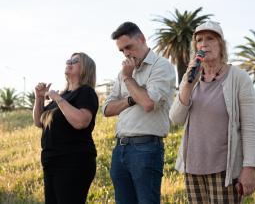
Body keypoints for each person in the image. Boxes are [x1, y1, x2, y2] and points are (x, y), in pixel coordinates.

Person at [169, 20, 255, 204]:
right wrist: (188, 83)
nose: (204, 43)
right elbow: (176, 118)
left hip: (224, 170)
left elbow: (250, 127)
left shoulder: (238, 78)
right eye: (199, 40)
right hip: (193, 170)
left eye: (210, 38)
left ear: (221, 45)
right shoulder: (191, 78)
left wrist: (249, 168)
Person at [103, 21, 176, 204]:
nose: (126, 53)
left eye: (129, 47)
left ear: (142, 39)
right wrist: (131, 98)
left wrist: (128, 79)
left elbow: (148, 103)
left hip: (146, 148)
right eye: (121, 50)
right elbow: (107, 109)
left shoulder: (161, 66)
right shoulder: (123, 73)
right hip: (120, 148)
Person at [33, 52, 99, 204]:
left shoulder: (85, 92)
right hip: (51, 161)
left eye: (75, 61)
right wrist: (39, 98)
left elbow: (81, 121)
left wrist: (57, 98)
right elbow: (39, 122)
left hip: (73, 162)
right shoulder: (63, 96)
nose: (69, 62)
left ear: (86, 69)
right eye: (69, 60)